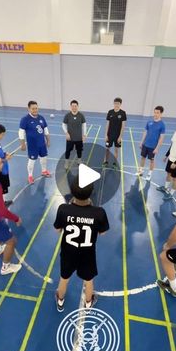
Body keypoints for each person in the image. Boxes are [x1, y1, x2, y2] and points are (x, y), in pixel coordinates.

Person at [53, 177, 109, 311]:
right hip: (87, 254)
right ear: (91, 193)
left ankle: (60, 301)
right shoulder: (99, 213)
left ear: (72, 193)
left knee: (64, 278)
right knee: (88, 280)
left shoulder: (63, 209)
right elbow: (103, 233)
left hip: (68, 252)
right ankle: (88, 302)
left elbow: (57, 229)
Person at [19, 101, 51, 184]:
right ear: (29, 109)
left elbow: (45, 130)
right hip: (33, 145)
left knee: (44, 158)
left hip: (42, 144)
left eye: (36, 108)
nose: (35, 110)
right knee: (32, 160)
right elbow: (21, 132)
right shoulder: (25, 119)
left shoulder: (41, 118)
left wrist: (48, 140)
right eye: (33, 109)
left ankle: (44, 171)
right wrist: (22, 144)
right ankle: (30, 176)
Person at [136, 106, 165, 181]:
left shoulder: (162, 125)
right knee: (143, 157)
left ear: (161, 114)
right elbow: (145, 132)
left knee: (152, 160)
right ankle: (140, 171)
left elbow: (161, 138)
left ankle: (149, 174)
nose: (155, 114)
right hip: (145, 144)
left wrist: (157, 148)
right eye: (155, 112)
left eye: (157, 113)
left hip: (153, 147)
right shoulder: (149, 122)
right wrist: (141, 142)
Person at [62, 100, 86, 170]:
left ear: (77, 107)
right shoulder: (67, 115)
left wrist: (84, 135)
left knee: (79, 150)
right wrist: (66, 133)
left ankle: (79, 161)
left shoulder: (81, 115)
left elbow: (84, 125)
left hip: (79, 138)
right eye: (72, 106)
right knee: (68, 151)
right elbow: (63, 125)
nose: (74, 107)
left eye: (75, 106)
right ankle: (66, 162)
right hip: (70, 138)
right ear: (70, 107)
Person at [103, 97, 127, 169]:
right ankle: (105, 162)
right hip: (109, 135)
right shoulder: (110, 112)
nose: (116, 105)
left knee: (116, 150)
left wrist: (120, 136)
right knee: (107, 149)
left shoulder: (123, 113)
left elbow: (123, 126)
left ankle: (114, 163)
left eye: (118, 103)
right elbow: (107, 124)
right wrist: (106, 134)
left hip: (117, 136)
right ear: (114, 103)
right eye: (115, 103)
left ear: (120, 104)